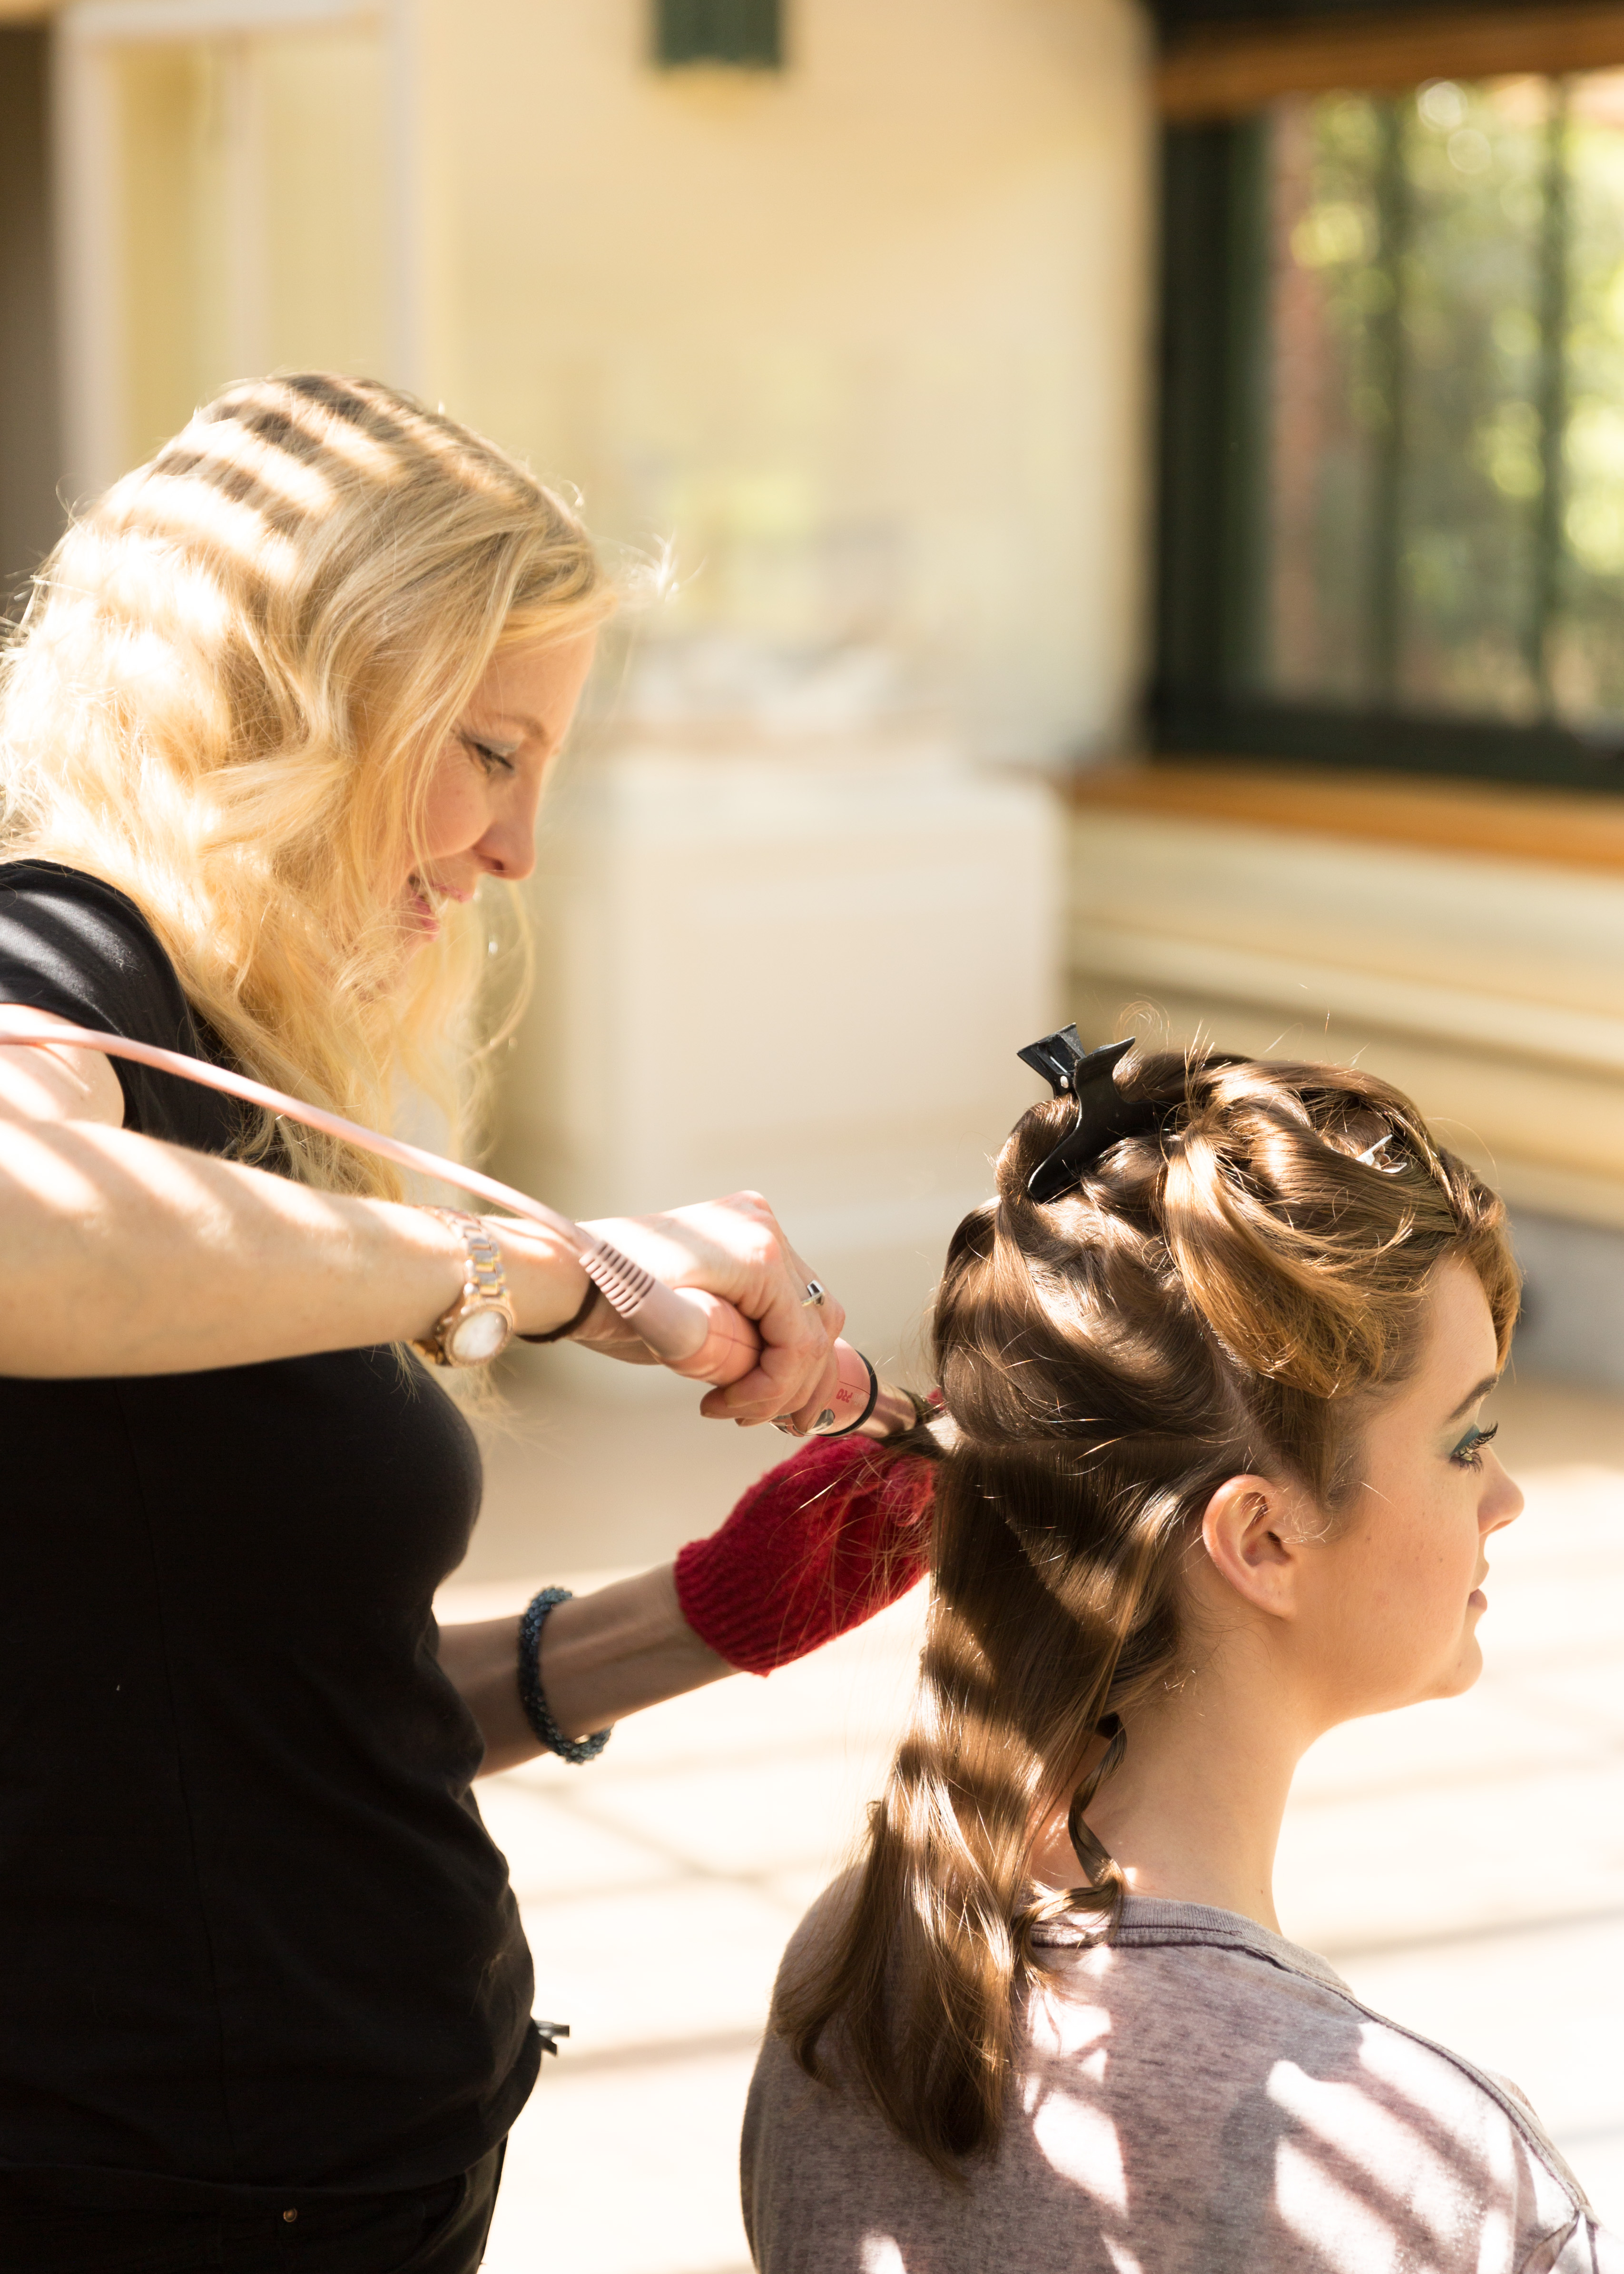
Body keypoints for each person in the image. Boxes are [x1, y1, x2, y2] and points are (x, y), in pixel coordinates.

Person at [0, 372, 932, 2273]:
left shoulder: (223, 1061)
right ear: (290, 703)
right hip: (157, 2193)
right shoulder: (60, 952)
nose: (517, 850)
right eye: (490, 751)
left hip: (357, 2154)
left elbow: (257, 1700)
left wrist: (699, 1615)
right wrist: (533, 1271)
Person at [743, 1043, 1624, 2274]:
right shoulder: (1440, 2184)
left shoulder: (854, 1980)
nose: (1507, 1498)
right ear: (1262, 1540)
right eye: (1466, 1440)